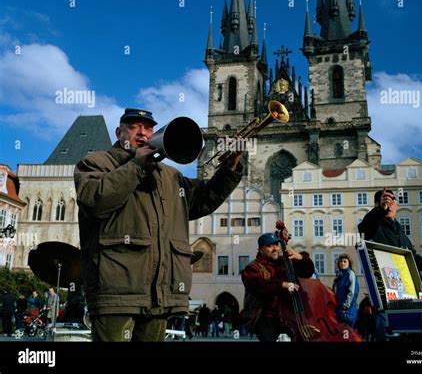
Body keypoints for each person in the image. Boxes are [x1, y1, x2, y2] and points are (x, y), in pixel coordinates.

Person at [74, 108, 243, 342]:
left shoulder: (170, 176)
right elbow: (96, 200)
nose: (143, 133)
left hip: (160, 292)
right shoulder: (96, 162)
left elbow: (203, 200)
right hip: (117, 291)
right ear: (118, 132)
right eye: (134, 127)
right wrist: (136, 166)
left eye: (149, 128)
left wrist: (230, 167)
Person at [358, 188, 422, 341]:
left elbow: (416, 260)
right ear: (377, 205)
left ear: (397, 205)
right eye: (385, 201)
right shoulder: (374, 227)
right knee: (386, 335)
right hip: (386, 298)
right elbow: (364, 228)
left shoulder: (401, 233)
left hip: (409, 296)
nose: (389, 204)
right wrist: (380, 209)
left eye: (392, 201)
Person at [241, 232, 315, 342]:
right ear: (260, 249)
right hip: (265, 317)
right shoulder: (252, 268)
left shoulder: (284, 261)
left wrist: (300, 258)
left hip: (289, 315)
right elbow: (258, 285)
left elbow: (307, 272)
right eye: (269, 246)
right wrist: (282, 284)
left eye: (276, 244)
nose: (275, 248)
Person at [333, 254, 359, 328]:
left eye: (345, 261)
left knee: (348, 337)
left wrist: (345, 307)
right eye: (341, 261)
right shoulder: (340, 275)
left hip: (348, 311)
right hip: (340, 311)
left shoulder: (350, 274)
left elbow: (352, 292)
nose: (342, 263)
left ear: (349, 263)